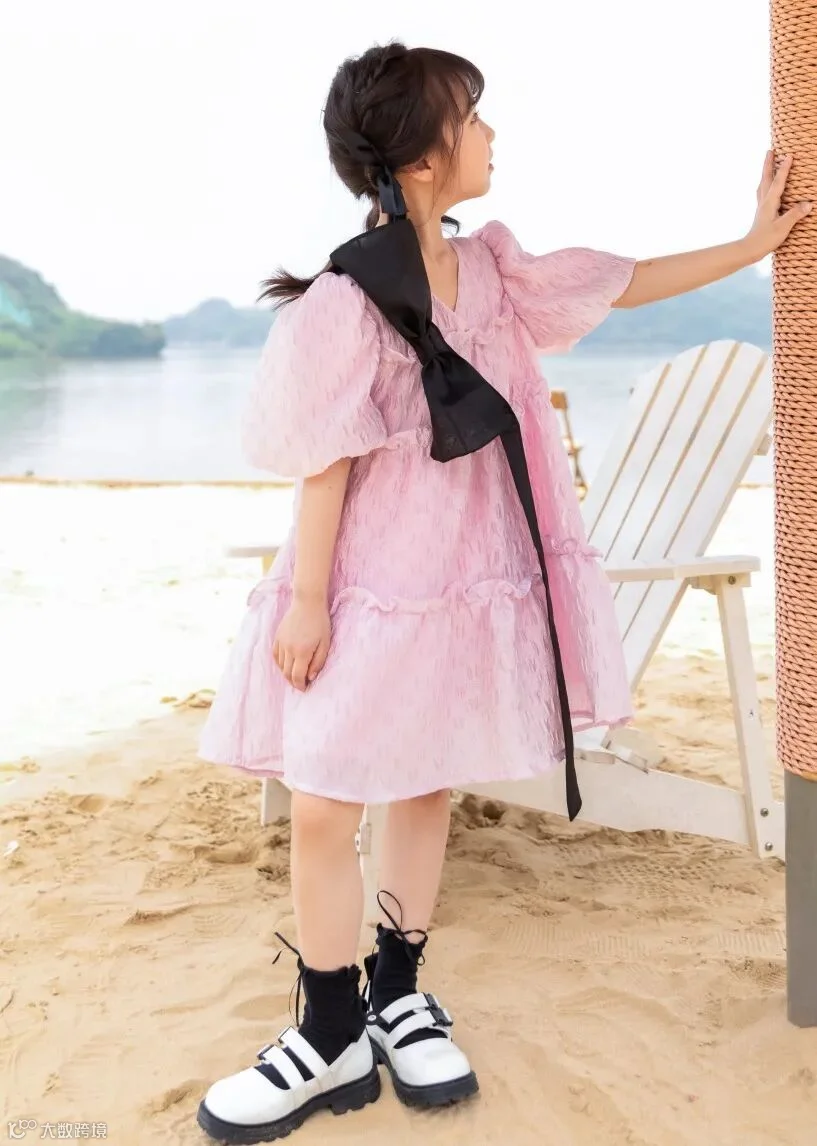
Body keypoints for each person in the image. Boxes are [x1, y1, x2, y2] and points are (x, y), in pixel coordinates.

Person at [196, 40, 808, 1145]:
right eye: (472, 116)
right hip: (371, 586)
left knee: (424, 782)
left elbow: (619, 281)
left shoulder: (494, 271)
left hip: (466, 578)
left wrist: (750, 246)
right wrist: (309, 600)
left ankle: (397, 992)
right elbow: (324, 463)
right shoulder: (344, 298)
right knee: (326, 800)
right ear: (423, 154)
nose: (489, 133)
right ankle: (328, 1031)